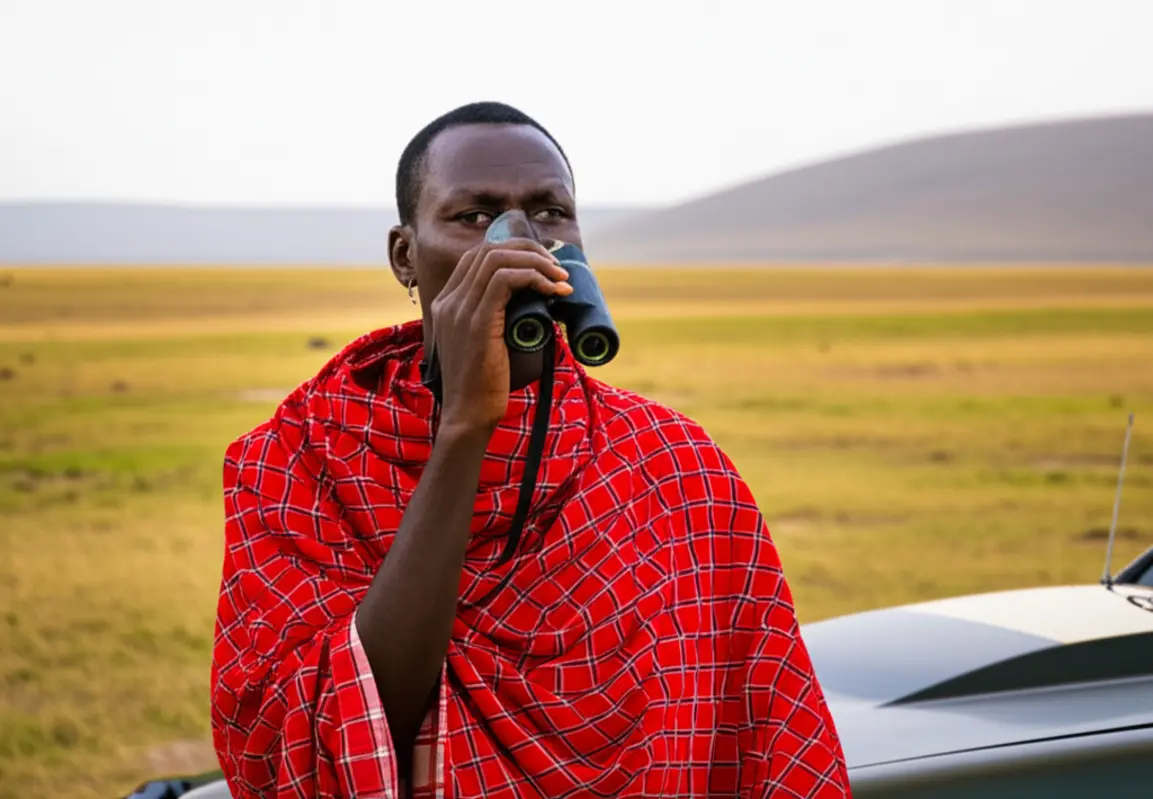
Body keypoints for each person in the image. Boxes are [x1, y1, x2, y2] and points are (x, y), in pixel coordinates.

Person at [209, 101, 852, 799]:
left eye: (548, 213)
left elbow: (761, 738)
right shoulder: (297, 456)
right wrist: (464, 427)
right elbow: (325, 737)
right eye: (474, 217)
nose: (516, 242)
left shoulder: (676, 466)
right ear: (405, 256)